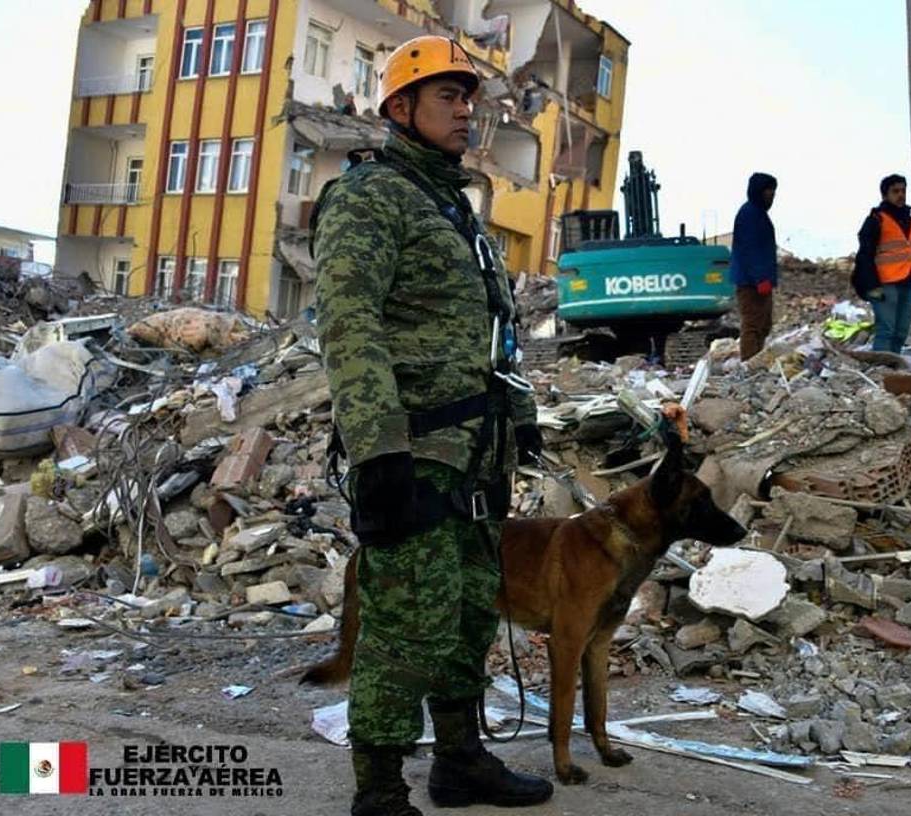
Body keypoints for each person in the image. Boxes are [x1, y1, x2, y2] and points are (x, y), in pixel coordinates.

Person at [314, 35, 552, 816]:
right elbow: (349, 324)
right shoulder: (370, 197)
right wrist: (377, 450)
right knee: (403, 626)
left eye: (468, 98)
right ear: (400, 106)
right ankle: (380, 792)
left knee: (469, 613)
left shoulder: (456, 209)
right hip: (414, 452)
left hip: (475, 455)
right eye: (448, 95)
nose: (464, 110)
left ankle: (459, 762)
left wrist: (520, 420)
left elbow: (496, 331)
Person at [852, 174, 911, 353]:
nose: (900, 195)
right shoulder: (876, 220)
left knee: (901, 332)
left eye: (903, 191)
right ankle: (881, 366)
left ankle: (893, 364)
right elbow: (865, 255)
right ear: (885, 195)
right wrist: (871, 285)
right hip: (885, 284)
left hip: (909, 282)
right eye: (895, 191)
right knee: (886, 330)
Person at [730, 173, 778, 361]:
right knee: (753, 325)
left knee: (763, 324)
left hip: (759, 280)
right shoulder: (750, 215)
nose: (772, 196)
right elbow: (750, 250)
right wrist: (760, 278)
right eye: (769, 191)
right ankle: (750, 363)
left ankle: (756, 359)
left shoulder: (758, 214)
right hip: (752, 282)